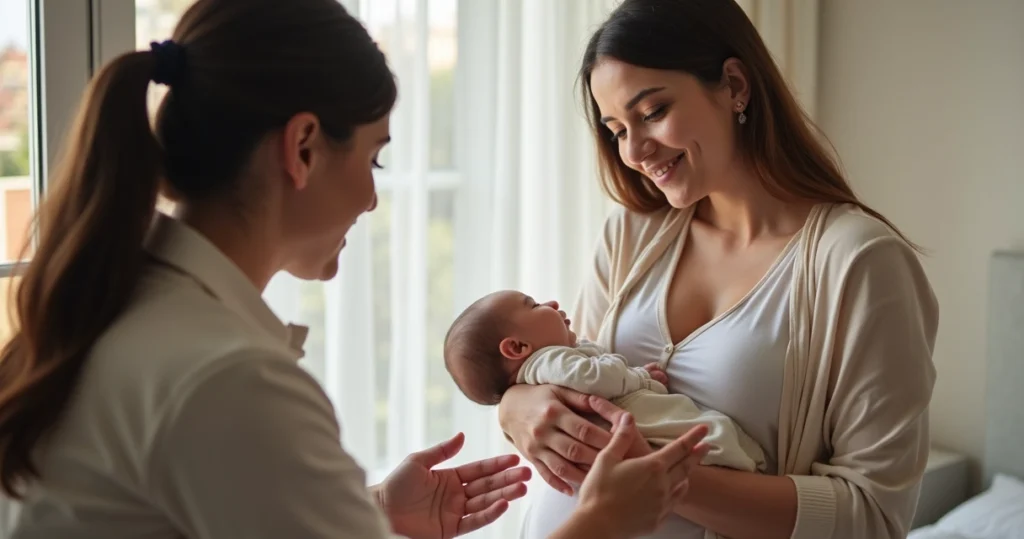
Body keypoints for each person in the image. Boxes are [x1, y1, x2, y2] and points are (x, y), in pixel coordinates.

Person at [0, 1, 711, 538]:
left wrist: (367, 514)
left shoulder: (125, 306)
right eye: (373, 157)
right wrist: (600, 525)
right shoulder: (225, 375)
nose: (373, 197)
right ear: (302, 147)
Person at [497, 0, 940, 538]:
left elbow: (872, 514)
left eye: (652, 112)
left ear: (734, 85)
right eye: (616, 128)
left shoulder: (860, 264)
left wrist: (660, 476)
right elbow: (575, 371)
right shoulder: (632, 232)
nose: (635, 150)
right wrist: (516, 406)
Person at [443, 289, 763, 473]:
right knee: (708, 432)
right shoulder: (548, 361)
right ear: (517, 348)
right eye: (535, 305)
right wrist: (636, 376)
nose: (552, 304)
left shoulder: (547, 371)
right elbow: (597, 378)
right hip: (644, 431)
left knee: (704, 430)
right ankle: (749, 464)